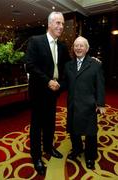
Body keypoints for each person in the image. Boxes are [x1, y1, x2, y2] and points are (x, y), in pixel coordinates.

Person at [25, 11, 70, 175]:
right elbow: (30, 65)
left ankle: (49, 148)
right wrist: (47, 81)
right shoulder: (36, 41)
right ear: (49, 24)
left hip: (54, 92)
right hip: (38, 91)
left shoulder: (62, 46)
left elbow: (69, 66)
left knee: (50, 122)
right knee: (37, 125)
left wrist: (88, 60)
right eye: (58, 23)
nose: (61, 26)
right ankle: (36, 156)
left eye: (63, 24)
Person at [63, 36, 106, 169]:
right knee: (74, 130)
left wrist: (101, 104)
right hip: (73, 104)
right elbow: (65, 83)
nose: (78, 48)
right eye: (76, 45)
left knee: (90, 133)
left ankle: (90, 156)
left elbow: (100, 85)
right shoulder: (68, 65)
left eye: (81, 46)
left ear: (87, 48)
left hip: (89, 105)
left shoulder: (95, 64)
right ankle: (77, 150)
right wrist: (54, 85)